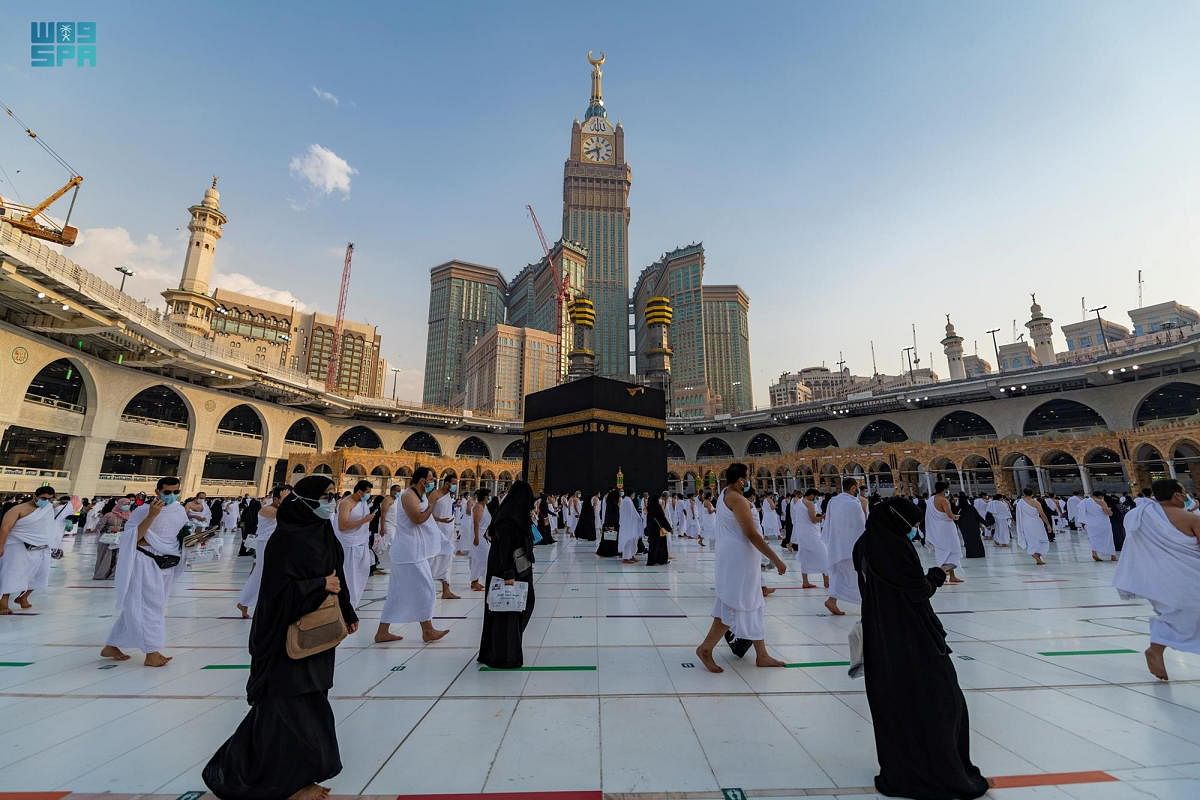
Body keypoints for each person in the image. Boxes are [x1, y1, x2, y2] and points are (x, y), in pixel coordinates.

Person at [202, 476, 359, 800]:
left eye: (333, 495)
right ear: (305, 501)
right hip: (283, 639)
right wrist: (318, 585)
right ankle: (289, 785)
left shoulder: (323, 532)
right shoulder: (285, 540)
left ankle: (253, 772)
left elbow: (337, 575)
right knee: (285, 710)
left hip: (316, 636)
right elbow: (276, 595)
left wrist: (347, 610)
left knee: (310, 703)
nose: (331, 501)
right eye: (326, 496)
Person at [854, 497, 990, 800]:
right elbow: (917, 591)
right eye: (912, 524)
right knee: (940, 699)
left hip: (880, 635)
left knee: (894, 703)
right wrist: (937, 575)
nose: (914, 530)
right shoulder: (895, 547)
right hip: (912, 636)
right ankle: (937, 767)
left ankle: (901, 765)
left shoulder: (863, 544)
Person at [694, 463, 787, 673]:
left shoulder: (727, 494)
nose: (748, 482)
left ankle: (761, 654)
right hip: (739, 559)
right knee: (734, 604)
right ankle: (705, 648)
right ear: (740, 480)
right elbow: (751, 533)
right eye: (746, 479)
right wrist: (775, 558)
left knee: (753, 602)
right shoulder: (736, 498)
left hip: (741, 557)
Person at [1114, 478, 1200, 681]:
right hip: (1187, 576)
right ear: (1177, 494)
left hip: (1158, 578)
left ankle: (1156, 649)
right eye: (1184, 492)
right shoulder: (1191, 519)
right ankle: (1155, 649)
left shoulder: (1141, 516)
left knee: (1177, 616)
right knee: (1186, 616)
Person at [101, 476, 188, 666]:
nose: (171, 496)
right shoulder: (142, 510)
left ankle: (112, 645)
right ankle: (152, 652)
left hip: (167, 563)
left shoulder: (180, 511)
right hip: (145, 561)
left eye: (176, 492)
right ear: (157, 492)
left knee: (143, 604)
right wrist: (151, 516)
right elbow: (133, 538)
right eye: (167, 492)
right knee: (151, 606)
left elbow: (178, 536)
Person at [376, 467, 449, 644]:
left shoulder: (420, 495)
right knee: (425, 589)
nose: (432, 482)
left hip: (415, 551)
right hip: (408, 553)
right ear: (422, 480)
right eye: (430, 479)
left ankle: (382, 632)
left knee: (398, 593)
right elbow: (417, 518)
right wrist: (432, 505)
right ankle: (428, 630)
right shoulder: (408, 495)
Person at [478, 481, 537, 669]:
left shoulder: (515, 515)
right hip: (507, 570)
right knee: (506, 610)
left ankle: (505, 649)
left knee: (519, 607)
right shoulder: (507, 518)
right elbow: (505, 547)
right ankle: (504, 655)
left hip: (518, 568)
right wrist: (508, 574)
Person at [0, 485, 59, 613]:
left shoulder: (48, 508)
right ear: (35, 496)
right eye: (43, 498)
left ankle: (23, 597)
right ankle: (3, 603)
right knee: (11, 575)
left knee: (39, 576)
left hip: (41, 548)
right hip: (17, 547)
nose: (46, 501)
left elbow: (48, 528)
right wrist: (1, 546)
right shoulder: (18, 509)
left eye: (50, 499)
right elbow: (5, 528)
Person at [237, 485, 291, 618]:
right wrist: (285, 500)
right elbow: (286, 515)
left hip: (278, 544)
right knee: (260, 573)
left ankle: (252, 602)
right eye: (286, 498)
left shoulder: (279, 508)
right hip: (266, 544)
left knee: (274, 574)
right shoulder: (267, 510)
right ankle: (244, 602)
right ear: (277, 499)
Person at [824, 478, 866, 616]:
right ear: (854, 488)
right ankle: (869, 602)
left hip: (836, 545)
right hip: (851, 546)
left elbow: (828, 522)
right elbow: (861, 525)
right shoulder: (855, 504)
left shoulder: (834, 501)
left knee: (840, 574)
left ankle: (832, 600)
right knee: (859, 575)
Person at [333, 480, 374, 609]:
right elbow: (343, 526)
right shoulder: (346, 503)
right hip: (349, 545)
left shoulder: (362, 503)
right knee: (350, 576)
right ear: (359, 491)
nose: (368, 495)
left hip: (361, 543)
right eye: (367, 492)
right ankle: (348, 604)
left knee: (361, 573)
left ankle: (354, 602)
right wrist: (364, 520)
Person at [925, 481, 964, 584]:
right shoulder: (944, 500)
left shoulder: (930, 500)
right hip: (947, 529)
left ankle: (952, 576)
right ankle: (941, 572)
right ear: (945, 489)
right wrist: (957, 516)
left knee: (943, 552)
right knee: (953, 550)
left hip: (936, 529)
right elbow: (950, 515)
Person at [430, 475, 461, 599]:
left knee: (447, 561)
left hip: (448, 533)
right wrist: (440, 519)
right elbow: (427, 513)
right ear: (446, 483)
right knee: (433, 560)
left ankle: (446, 590)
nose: (454, 486)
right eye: (453, 483)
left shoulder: (450, 496)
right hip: (437, 532)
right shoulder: (435, 494)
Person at [792, 488, 828, 589]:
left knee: (805, 557)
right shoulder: (810, 503)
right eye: (815, 497)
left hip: (802, 534)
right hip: (812, 534)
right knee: (824, 554)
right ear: (812, 495)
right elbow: (813, 519)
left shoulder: (799, 502)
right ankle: (827, 581)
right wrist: (823, 517)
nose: (815, 499)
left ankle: (805, 581)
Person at [94, 497, 131, 580]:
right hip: (108, 540)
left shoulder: (130, 516)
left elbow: (133, 528)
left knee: (119, 558)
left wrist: (122, 529)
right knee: (106, 557)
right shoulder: (109, 515)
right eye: (125, 504)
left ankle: (114, 575)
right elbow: (99, 527)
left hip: (122, 540)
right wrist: (110, 529)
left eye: (129, 504)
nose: (127, 506)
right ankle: (102, 575)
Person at [1015, 488, 1051, 565]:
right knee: (1041, 539)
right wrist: (1048, 524)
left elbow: (1018, 516)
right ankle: (1037, 556)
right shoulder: (1036, 502)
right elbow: (1042, 514)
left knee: (1030, 540)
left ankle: (1036, 555)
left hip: (1026, 524)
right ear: (1032, 494)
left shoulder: (1019, 503)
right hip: (1037, 523)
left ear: (1024, 494)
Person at [1081, 490, 1117, 562]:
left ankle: (1094, 553)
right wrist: (1110, 511)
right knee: (1108, 538)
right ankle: (1113, 556)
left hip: (1091, 524)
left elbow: (1082, 513)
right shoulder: (1101, 502)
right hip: (1102, 523)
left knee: (1093, 539)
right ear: (1100, 496)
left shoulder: (1084, 502)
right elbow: (1108, 513)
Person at [469, 488, 492, 592]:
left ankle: (476, 580)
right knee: (478, 559)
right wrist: (476, 537)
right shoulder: (478, 507)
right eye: (488, 496)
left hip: (483, 536)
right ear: (484, 497)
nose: (489, 498)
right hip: (477, 536)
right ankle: (474, 582)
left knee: (483, 558)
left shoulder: (484, 507)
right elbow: (476, 523)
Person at [955, 492, 987, 559]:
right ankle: (979, 554)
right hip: (974, 527)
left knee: (968, 541)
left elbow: (956, 519)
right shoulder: (971, 508)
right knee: (976, 540)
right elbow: (978, 517)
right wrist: (986, 523)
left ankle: (970, 554)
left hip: (964, 528)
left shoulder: (959, 509)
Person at [645, 492, 673, 566]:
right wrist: (669, 528)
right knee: (662, 545)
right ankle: (661, 560)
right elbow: (662, 518)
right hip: (659, 529)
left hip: (652, 529)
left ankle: (651, 561)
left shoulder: (649, 507)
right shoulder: (657, 507)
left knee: (652, 546)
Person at [618, 490, 642, 564]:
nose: (634, 496)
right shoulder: (627, 501)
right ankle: (626, 558)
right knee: (628, 541)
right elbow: (629, 514)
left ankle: (631, 555)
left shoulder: (628, 500)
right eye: (634, 494)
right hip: (628, 525)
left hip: (631, 525)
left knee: (633, 541)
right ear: (631, 493)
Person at [597, 489, 621, 558]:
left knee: (608, 539)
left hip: (608, 524)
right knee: (611, 539)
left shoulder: (610, 504)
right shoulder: (614, 506)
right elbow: (614, 517)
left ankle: (609, 551)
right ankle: (610, 552)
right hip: (612, 524)